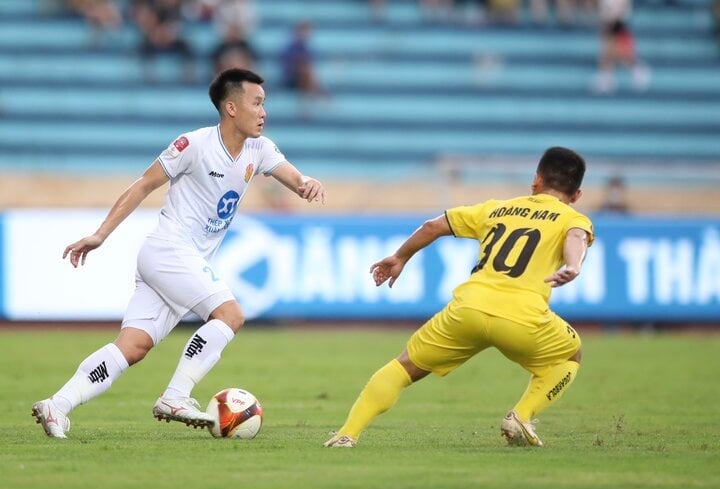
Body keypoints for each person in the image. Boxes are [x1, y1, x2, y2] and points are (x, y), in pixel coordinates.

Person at [31, 68, 326, 439]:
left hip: (179, 263)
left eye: (264, 103)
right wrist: (100, 235)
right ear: (231, 108)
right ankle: (176, 395)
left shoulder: (260, 149)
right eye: (257, 103)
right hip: (169, 250)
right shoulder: (194, 145)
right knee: (230, 315)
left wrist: (307, 182)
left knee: (133, 347)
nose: (264, 111)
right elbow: (142, 186)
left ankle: (57, 404)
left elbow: (295, 179)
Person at [325, 147, 593, 448]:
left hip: (469, 308)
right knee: (571, 354)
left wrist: (400, 257)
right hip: (524, 317)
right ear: (577, 195)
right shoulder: (572, 217)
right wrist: (573, 265)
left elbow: (433, 226)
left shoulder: (496, 208)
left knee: (404, 367)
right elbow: (576, 238)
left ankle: (347, 434)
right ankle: (521, 414)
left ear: (536, 181)